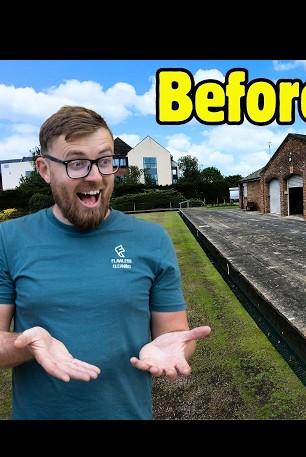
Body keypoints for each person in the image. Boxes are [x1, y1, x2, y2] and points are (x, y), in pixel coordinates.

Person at [0, 106, 211, 419]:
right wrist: (26, 344)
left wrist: (174, 347)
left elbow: (174, 335)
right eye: (77, 163)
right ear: (44, 169)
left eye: (105, 161)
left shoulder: (152, 240)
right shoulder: (9, 238)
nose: (95, 175)